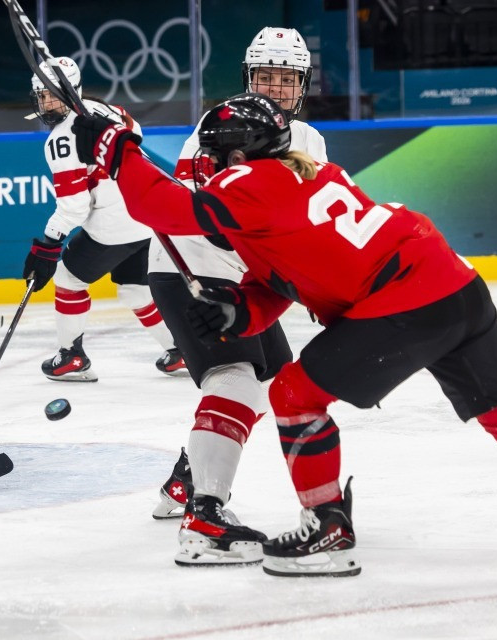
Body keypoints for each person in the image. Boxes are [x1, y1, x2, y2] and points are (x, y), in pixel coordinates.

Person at [70, 92, 497, 577]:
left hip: (405, 300)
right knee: (496, 409)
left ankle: (326, 530)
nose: (206, 165)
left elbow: (161, 206)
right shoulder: (300, 176)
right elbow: (284, 281)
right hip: (457, 286)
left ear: (238, 155)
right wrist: (240, 313)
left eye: (213, 155)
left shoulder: (250, 180)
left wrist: (118, 149)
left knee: (295, 394)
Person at [145, 28, 328, 568]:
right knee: (235, 378)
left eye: (286, 78)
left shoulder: (310, 140)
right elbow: (199, 215)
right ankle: (205, 517)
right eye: (265, 76)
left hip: (247, 281)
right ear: (249, 78)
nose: (275, 87)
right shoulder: (221, 125)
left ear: (302, 84)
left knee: (276, 379)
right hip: (194, 270)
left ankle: (189, 476)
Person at [22, 56, 176, 382]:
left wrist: (48, 243)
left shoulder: (61, 140)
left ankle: (71, 357)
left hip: (114, 225)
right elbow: (136, 134)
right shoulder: (107, 109)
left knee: (68, 280)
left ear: (70, 92)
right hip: (147, 213)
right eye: (42, 96)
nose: (46, 103)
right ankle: (181, 351)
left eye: (52, 95)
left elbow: (74, 207)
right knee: (136, 291)